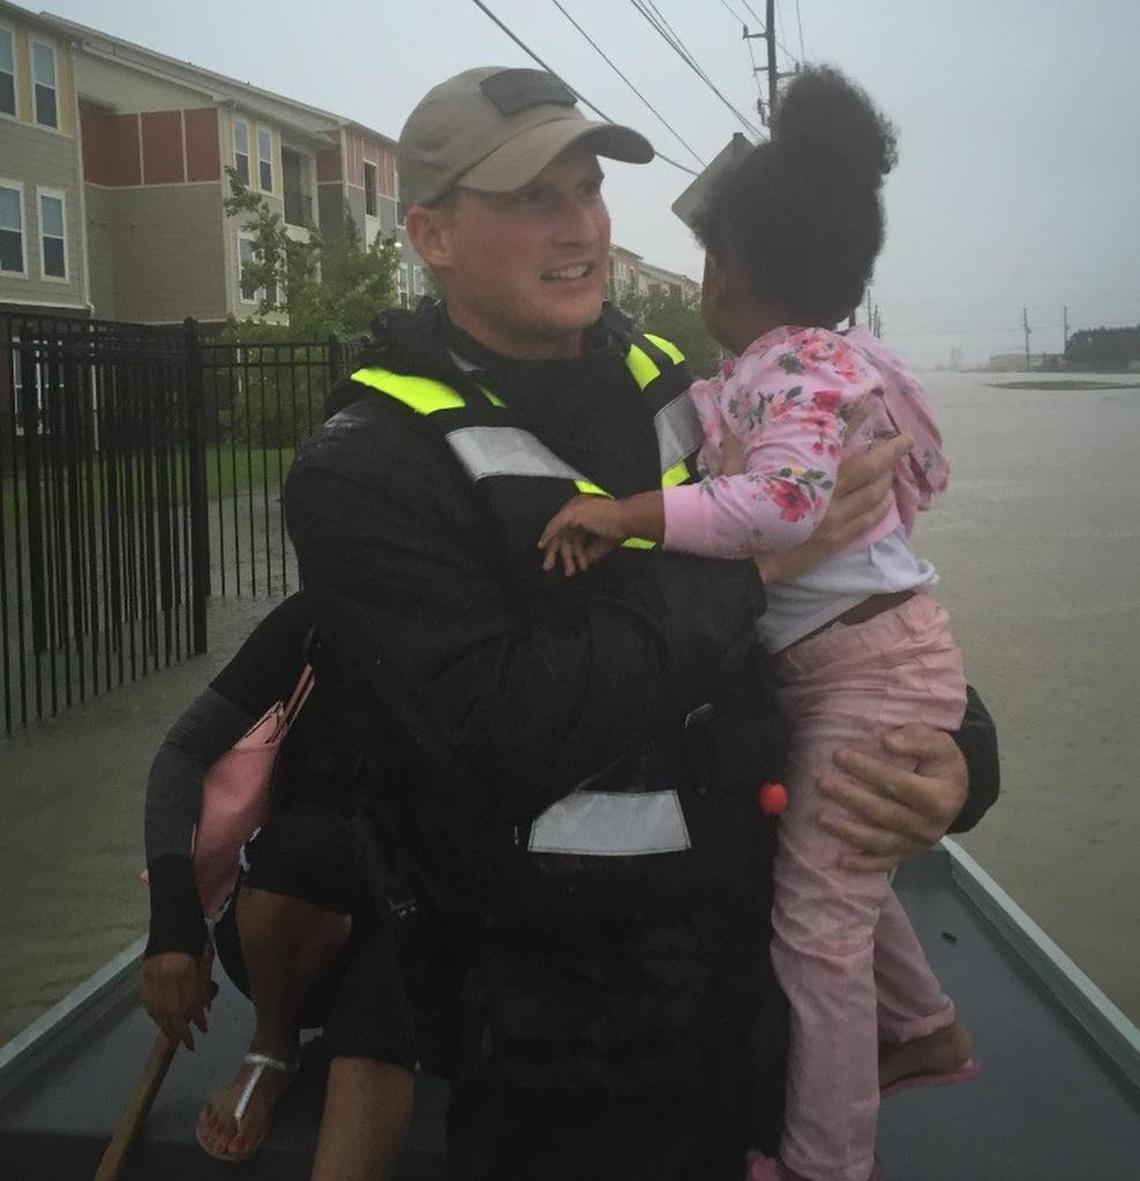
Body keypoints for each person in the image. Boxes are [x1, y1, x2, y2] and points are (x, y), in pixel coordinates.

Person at [284, 66, 999, 1181]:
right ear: (429, 233)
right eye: (532, 198)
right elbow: (502, 721)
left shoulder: (687, 383)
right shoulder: (367, 466)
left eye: (586, 189)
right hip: (562, 1041)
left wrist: (957, 764)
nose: (580, 229)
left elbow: (863, 615)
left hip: (750, 991)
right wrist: (758, 569)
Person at [539, 66, 976, 1181]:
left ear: (726, 270)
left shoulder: (780, 373)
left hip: (864, 669)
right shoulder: (838, 362)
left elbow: (778, 506)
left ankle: (829, 1163)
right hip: (883, 650)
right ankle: (920, 1021)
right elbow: (924, 462)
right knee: (836, 868)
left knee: (816, 929)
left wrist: (631, 509)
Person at [141, 593, 419, 1173]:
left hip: (418, 925)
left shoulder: (485, 622)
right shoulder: (314, 620)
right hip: (293, 932)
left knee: (380, 1017)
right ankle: (272, 1045)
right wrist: (174, 926)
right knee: (305, 848)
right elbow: (182, 753)